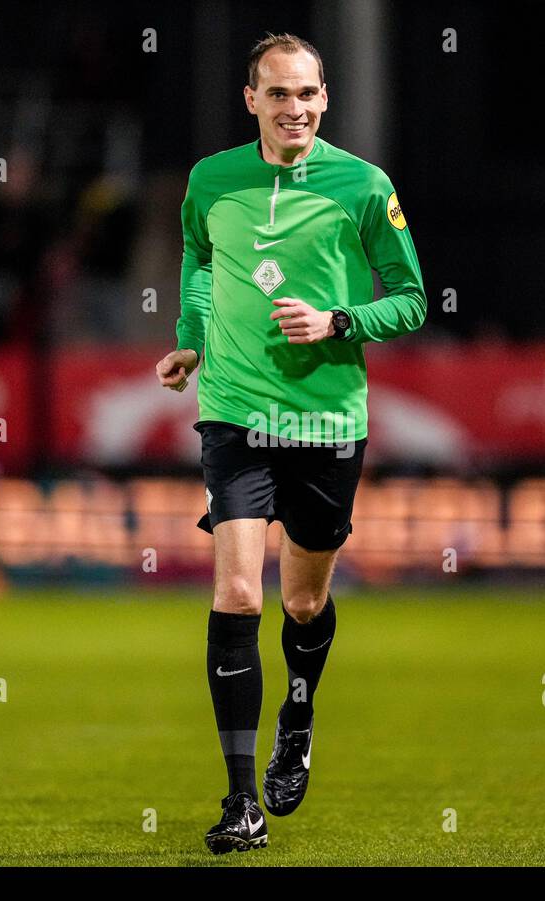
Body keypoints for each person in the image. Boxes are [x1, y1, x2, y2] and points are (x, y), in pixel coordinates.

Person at [154, 32, 426, 853]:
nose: (295, 108)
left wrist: (338, 321)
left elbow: (411, 300)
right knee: (237, 595)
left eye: (307, 93)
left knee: (302, 602)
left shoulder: (363, 186)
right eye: (279, 94)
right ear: (252, 101)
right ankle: (241, 803)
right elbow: (199, 260)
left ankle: (298, 718)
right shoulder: (210, 179)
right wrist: (191, 336)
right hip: (235, 412)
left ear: (325, 97)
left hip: (326, 420)